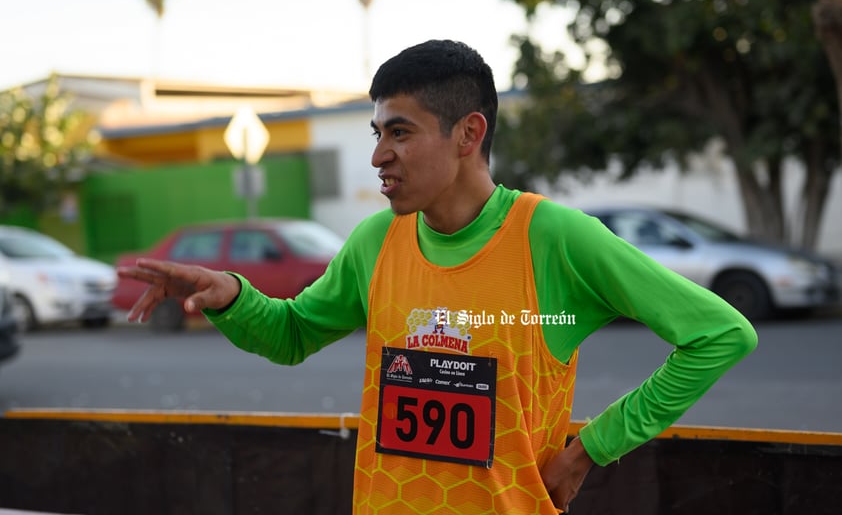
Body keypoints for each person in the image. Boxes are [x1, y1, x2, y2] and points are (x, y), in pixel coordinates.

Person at [118, 39, 758, 514]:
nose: (378, 156)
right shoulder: (377, 240)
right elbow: (291, 336)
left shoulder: (555, 239)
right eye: (376, 133)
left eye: (399, 132)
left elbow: (720, 334)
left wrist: (590, 448)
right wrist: (231, 295)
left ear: (468, 133)